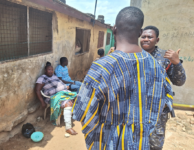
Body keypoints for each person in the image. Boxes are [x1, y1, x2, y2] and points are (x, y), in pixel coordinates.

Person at [72, 6, 174, 150]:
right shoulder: (156, 67)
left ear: (114, 29)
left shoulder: (102, 67)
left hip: (108, 142)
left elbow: (83, 113)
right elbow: (163, 103)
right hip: (141, 143)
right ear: (139, 33)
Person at [140, 26, 186, 150]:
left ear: (157, 40)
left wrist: (177, 63)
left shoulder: (165, 57)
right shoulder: (133, 55)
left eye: (150, 37)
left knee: (154, 146)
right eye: (143, 36)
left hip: (157, 114)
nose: (146, 39)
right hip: (136, 112)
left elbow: (179, 81)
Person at [35, 62, 78, 135]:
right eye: (49, 69)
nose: (51, 71)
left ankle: (68, 111)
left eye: (52, 70)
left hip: (61, 93)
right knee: (68, 103)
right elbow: (37, 90)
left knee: (76, 96)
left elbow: (60, 83)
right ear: (45, 70)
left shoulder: (54, 76)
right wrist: (42, 102)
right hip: (52, 96)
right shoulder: (42, 78)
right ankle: (68, 127)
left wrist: (65, 87)